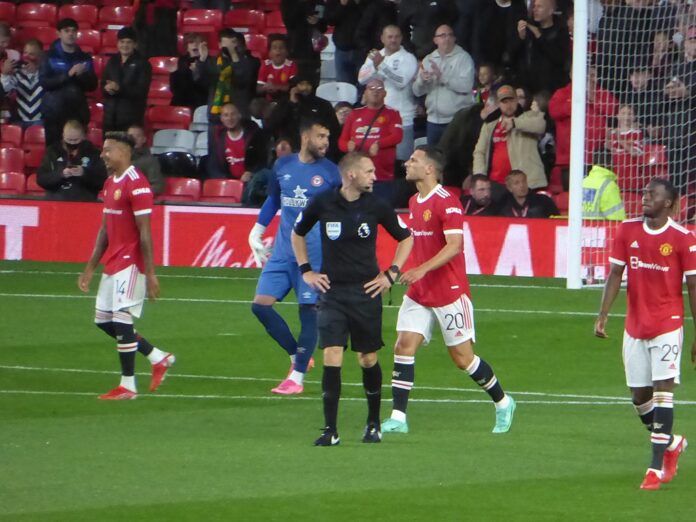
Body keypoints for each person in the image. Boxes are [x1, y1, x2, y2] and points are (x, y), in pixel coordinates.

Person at [381, 145, 516, 435]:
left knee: (462, 358)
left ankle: (503, 402)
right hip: (420, 291)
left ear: (429, 168)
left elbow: (455, 246)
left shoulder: (447, 202)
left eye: (414, 160)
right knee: (404, 345)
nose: (408, 163)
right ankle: (398, 418)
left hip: (449, 291)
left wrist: (421, 269)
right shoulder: (414, 200)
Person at [292, 151, 413, 446]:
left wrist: (391, 274)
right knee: (331, 355)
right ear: (351, 175)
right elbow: (298, 233)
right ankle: (329, 430)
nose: (375, 176)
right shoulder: (323, 202)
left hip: (365, 292)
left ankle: (373, 423)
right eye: (369, 171)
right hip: (333, 292)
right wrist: (306, 270)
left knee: (367, 358)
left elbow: (406, 237)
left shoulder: (376, 205)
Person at [594, 178, 695, 490]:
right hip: (635, 326)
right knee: (640, 398)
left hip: (668, 324)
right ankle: (673, 442)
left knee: (664, 393)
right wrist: (603, 313)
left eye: (653, 194)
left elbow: (693, 286)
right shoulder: (627, 231)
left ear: (668, 203)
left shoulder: (683, 238)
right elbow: (615, 273)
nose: (645, 197)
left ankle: (654, 468)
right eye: (644, 192)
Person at [78, 132, 175, 400]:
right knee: (103, 321)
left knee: (122, 318)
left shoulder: (138, 185)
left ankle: (128, 386)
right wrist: (90, 267)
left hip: (131, 263)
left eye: (107, 150)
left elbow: (145, 233)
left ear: (123, 153)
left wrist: (151, 273)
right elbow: (104, 230)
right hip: (113, 262)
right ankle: (158, 357)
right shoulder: (110, 183)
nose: (102, 155)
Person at [247, 120, 341, 395]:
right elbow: (275, 200)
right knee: (260, 306)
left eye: (328, 137)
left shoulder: (332, 173)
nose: (325, 141)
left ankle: (296, 378)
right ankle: (297, 356)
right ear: (305, 136)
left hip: (314, 257)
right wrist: (257, 229)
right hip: (281, 252)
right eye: (320, 136)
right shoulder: (283, 166)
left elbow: (339, 213)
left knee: (308, 312)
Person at [358, 24, 418, 162]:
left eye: (396, 37)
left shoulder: (408, 58)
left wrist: (382, 66)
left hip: (402, 118)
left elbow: (401, 81)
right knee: (377, 161)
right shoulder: (375, 56)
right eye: (390, 37)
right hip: (377, 118)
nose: (393, 40)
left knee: (401, 163)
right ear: (382, 38)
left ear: (402, 38)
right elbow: (361, 79)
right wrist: (375, 66)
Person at [338, 78, 403, 202]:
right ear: (365, 93)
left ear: (385, 93)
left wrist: (379, 144)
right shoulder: (354, 114)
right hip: (356, 176)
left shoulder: (393, 114)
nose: (375, 92)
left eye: (379, 89)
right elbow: (342, 141)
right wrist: (348, 146)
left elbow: (397, 136)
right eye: (371, 88)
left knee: (381, 209)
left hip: (382, 175)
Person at [473, 84, 547, 189]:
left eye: (511, 100)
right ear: (499, 103)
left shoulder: (529, 116)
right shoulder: (489, 125)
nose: (509, 105)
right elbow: (479, 152)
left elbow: (541, 125)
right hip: (496, 184)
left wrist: (514, 123)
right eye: (504, 102)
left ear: (517, 100)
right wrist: (480, 176)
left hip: (525, 185)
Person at [412, 24, 475, 146]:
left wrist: (443, 77)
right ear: (435, 40)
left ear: (454, 38)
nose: (447, 38)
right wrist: (422, 81)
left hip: (456, 121)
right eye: (442, 35)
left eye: (450, 35)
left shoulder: (464, 58)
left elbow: (466, 86)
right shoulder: (428, 59)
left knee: (454, 160)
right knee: (434, 161)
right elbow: (417, 91)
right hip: (433, 121)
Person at [39, 18, 97, 146]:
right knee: (54, 151)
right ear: (59, 33)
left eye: (73, 31)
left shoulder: (85, 58)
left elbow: (92, 85)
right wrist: (68, 75)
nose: (70, 34)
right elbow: (44, 82)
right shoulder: (49, 56)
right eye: (66, 31)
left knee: (77, 150)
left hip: (77, 112)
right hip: (54, 112)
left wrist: (82, 75)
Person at [265, 73, 341, 160]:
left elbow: (335, 130)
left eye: (308, 84)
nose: (305, 87)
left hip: (317, 150)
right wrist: (292, 104)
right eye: (301, 84)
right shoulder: (284, 104)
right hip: (291, 150)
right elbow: (271, 125)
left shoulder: (323, 105)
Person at [37, 120, 107, 201]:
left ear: (83, 136)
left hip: (85, 203)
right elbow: (41, 179)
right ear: (63, 136)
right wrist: (61, 174)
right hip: (56, 203)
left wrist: (84, 173)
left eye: (76, 140)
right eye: (69, 140)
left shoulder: (93, 153)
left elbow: (102, 182)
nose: (72, 143)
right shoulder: (52, 152)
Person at [510, 0, 570, 94]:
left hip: (552, 89)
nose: (535, 10)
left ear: (550, 11)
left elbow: (559, 58)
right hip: (529, 88)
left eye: (539, 7)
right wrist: (521, 37)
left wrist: (539, 36)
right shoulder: (529, 29)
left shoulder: (561, 31)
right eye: (534, 6)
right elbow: (513, 55)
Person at [101, 27, 151, 133]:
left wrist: (119, 89)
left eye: (129, 42)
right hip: (110, 118)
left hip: (131, 119)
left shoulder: (143, 63)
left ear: (135, 44)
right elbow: (103, 84)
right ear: (117, 43)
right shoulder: (112, 61)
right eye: (122, 42)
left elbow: (141, 91)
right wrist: (106, 89)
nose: (125, 45)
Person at [206, 102, 270, 182]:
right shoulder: (218, 140)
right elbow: (214, 167)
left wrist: (252, 173)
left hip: (251, 182)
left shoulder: (254, 136)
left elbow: (263, 160)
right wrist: (226, 180)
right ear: (221, 119)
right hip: (229, 184)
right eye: (226, 115)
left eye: (233, 114)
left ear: (239, 116)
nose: (230, 118)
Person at [1, 39, 44, 127]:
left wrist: (37, 70)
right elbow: (5, 90)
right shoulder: (17, 71)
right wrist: (5, 74)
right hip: (20, 120)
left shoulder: (46, 71)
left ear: (40, 56)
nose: (27, 56)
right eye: (25, 52)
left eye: (31, 54)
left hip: (41, 120)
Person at [170, 33, 214, 110]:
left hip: (202, 102)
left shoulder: (210, 61)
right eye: (191, 42)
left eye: (198, 42)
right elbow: (176, 89)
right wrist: (174, 74)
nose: (195, 44)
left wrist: (198, 70)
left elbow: (207, 86)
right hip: (183, 101)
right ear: (186, 47)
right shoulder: (182, 61)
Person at [256, 34, 297, 103]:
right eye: (274, 48)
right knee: (255, 104)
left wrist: (275, 86)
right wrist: (266, 87)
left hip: (286, 100)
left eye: (281, 48)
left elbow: (291, 87)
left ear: (287, 52)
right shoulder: (265, 65)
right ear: (269, 53)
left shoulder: (291, 65)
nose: (278, 50)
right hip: (269, 100)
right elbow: (258, 89)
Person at [127, 124, 165, 195]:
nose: (134, 139)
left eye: (138, 136)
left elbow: (157, 186)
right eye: (131, 136)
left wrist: (137, 193)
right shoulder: (118, 159)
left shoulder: (150, 161)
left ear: (144, 139)